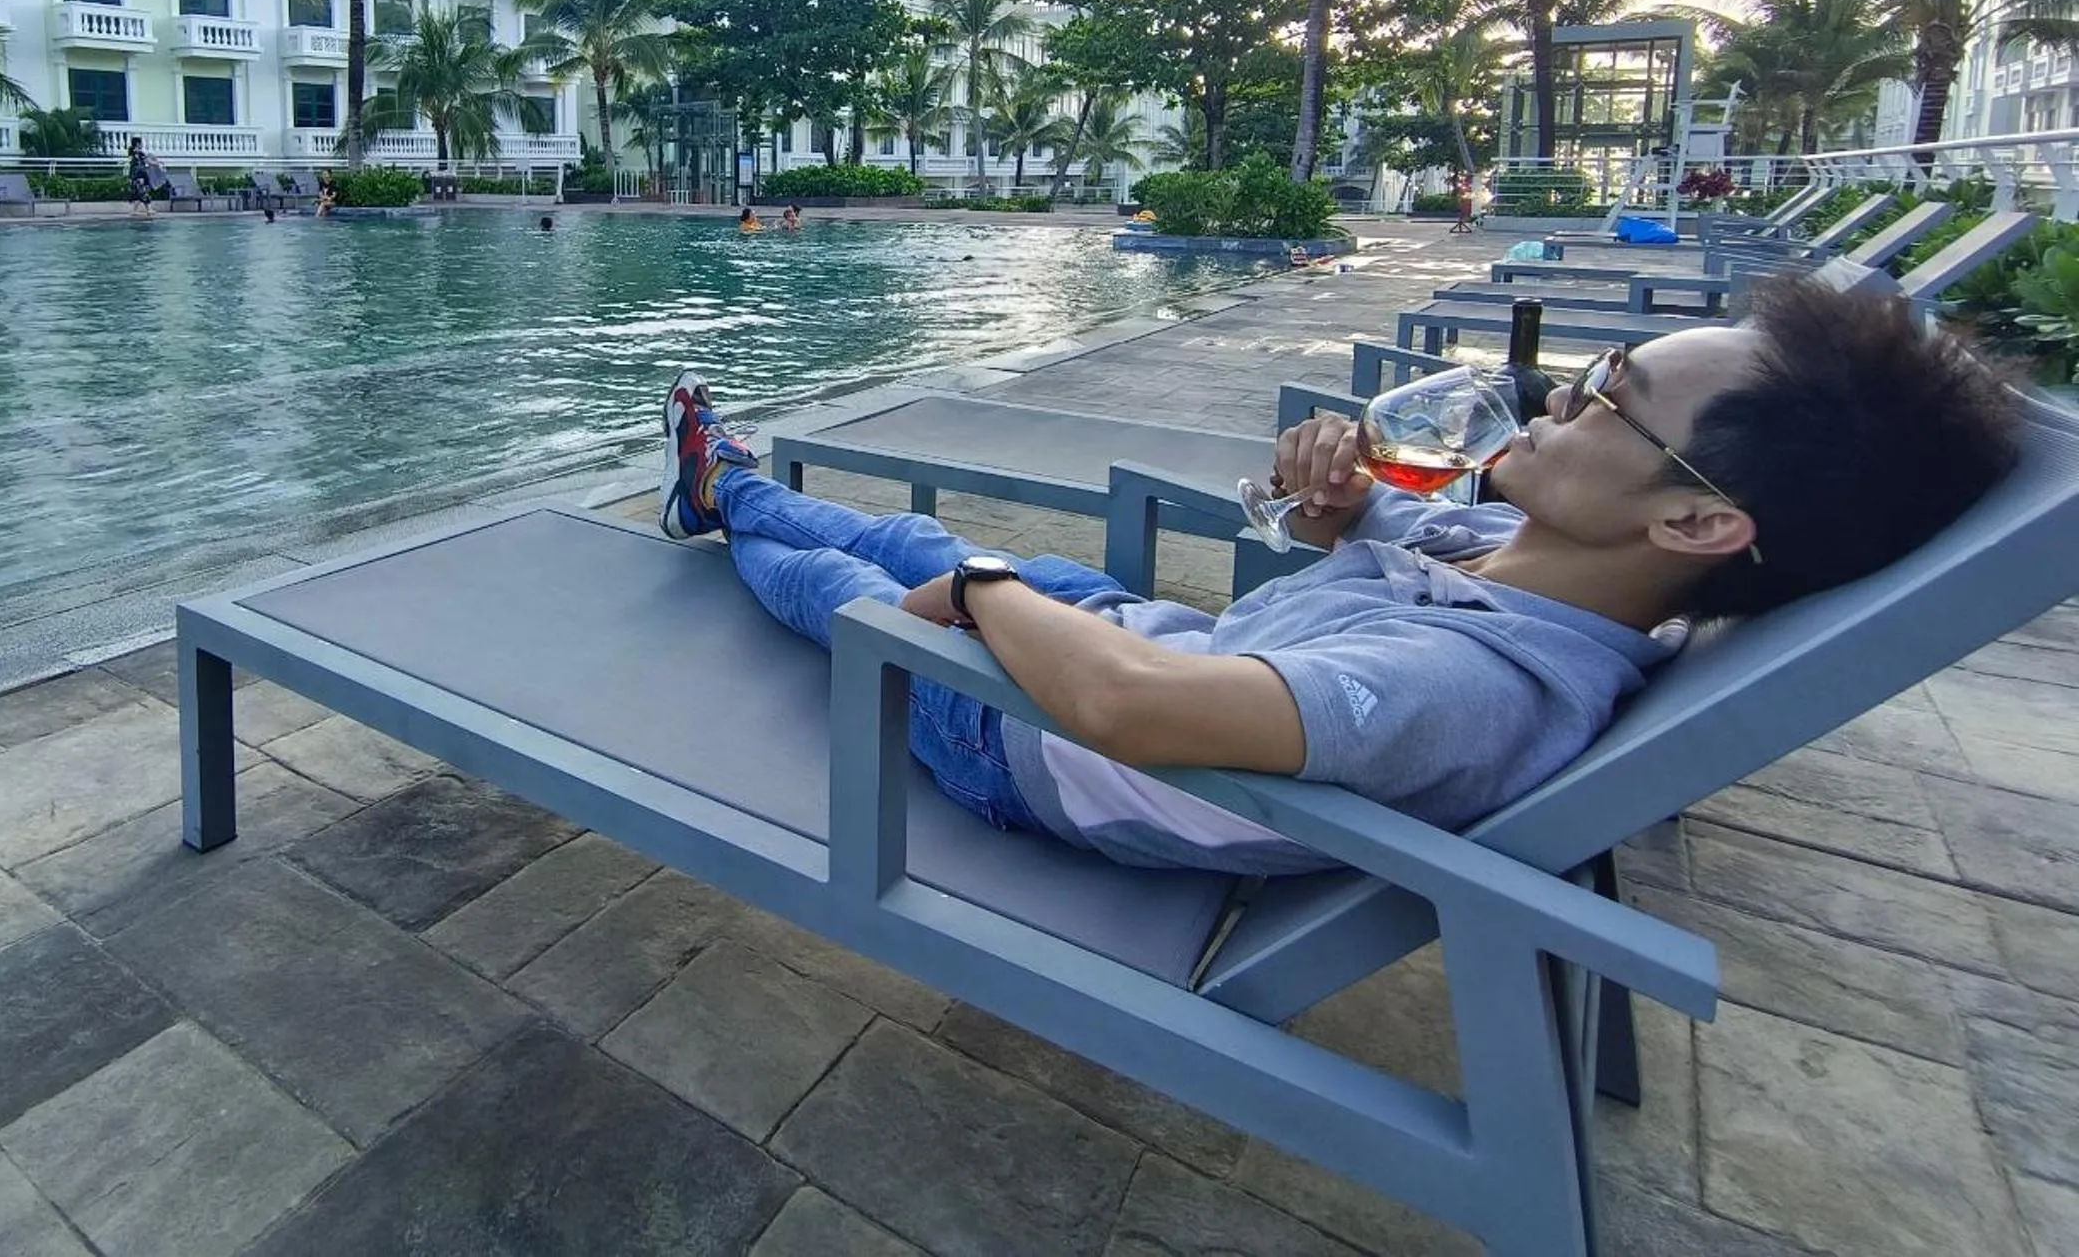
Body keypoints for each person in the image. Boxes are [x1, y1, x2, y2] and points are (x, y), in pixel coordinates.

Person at [654, 276, 2020, 873]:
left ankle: (730, 514)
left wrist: (985, 596)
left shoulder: (1477, 687)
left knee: (845, 592)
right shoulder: (1526, 566)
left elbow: (1144, 715)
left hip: (1046, 742)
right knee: (904, 539)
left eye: (1617, 397)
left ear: (1699, 526)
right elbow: (1344, 562)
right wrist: (1337, 506)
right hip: (1138, 639)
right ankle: (736, 486)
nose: (1563, 397)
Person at [126, 138, 157, 218]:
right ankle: (149, 210)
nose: (142, 144)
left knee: (139, 195)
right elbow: (148, 161)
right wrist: (157, 163)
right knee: (143, 193)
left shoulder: (132, 154)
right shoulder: (139, 154)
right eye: (141, 143)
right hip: (139, 176)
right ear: (137, 144)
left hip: (134, 177)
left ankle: (135, 211)